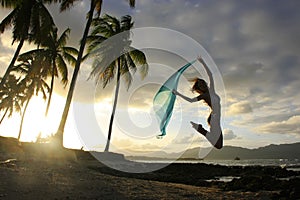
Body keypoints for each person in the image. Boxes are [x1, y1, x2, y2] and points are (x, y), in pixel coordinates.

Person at [173, 56, 223, 149]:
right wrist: (178, 93)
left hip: (215, 118)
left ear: (205, 84)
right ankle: (200, 129)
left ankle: (200, 129)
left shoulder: (212, 90)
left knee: (219, 145)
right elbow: (191, 101)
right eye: (200, 85)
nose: (202, 85)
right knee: (218, 146)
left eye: (202, 83)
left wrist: (202, 62)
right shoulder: (203, 96)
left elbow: (210, 75)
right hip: (214, 118)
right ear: (200, 89)